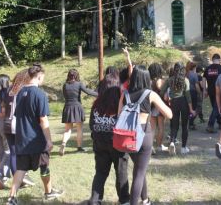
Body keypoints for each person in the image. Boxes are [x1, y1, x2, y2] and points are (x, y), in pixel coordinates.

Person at [6, 64, 63, 205]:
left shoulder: (19, 93)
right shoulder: (39, 94)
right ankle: (48, 192)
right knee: (44, 166)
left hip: (22, 138)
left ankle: (11, 198)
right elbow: (43, 119)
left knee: (21, 169)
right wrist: (49, 140)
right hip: (36, 139)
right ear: (39, 77)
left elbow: (17, 115)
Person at [118, 65, 172, 205]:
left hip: (128, 134)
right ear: (146, 78)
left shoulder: (125, 94)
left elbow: (119, 115)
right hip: (144, 134)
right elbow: (169, 114)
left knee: (139, 169)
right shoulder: (150, 94)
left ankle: (145, 199)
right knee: (139, 173)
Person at [88, 74, 130, 205]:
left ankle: (94, 201)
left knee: (100, 173)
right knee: (121, 173)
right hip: (117, 143)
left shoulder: (96, 103)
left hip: (100, 142)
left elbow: (91, 124)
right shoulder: (121, 102)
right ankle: (124, 200)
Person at [3, 69, 35, 187]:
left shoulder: (8, 90)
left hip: (6, 123)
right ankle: (21, 177)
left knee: (13, 152)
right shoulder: (23, 91)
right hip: (17, 124)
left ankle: (18, 179)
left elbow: (3, 107)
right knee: (21, 152)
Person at [59, 69, 97, 156]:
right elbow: (88, 92)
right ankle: (79, 147)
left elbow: (65, 96)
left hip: (67, 107)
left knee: (67, 130)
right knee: (79, 129)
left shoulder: (65, 85)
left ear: (68, 75)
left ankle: (63, 144)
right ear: (76, 76)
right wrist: (99, 93)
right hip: (77, 107)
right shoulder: (79, 84)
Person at [160, 62, 195, 155]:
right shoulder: (186, 80)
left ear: (174, 70)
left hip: (173, 103)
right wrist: (191, 109)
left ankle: (172, 142)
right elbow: (188, 96)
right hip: (184, 102)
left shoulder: (169, 80)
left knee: (174, 125)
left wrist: (166, 99)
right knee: (185, 125)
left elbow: (162, 91)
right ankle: (183, 147)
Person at [148, 63, 168, 152]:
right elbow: (164, 94)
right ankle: (159, 146)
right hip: (159, 106)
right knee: (161, 126)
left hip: (151, 106)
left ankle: (150, 147)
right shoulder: (160, 81)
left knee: (152, 128)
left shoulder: (148, 81)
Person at [203, 54, 221, 133]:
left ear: (212, 60)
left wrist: (205, 90)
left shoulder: (208, 69)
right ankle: (210, 124)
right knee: (217, 108)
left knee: (215, 107)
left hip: (210, 91)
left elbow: (204, 79)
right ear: (219, 60)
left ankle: (220, 123)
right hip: (219, 91)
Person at [186, 61, 200, 130]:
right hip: (193, 93)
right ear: (194, 67)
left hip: (185, 93)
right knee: (193, 109)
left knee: (187, 108)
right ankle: (191, 122)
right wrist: (199, 93)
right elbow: (196, 85)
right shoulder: (194, 75)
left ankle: (187, 121)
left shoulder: (185, 74)